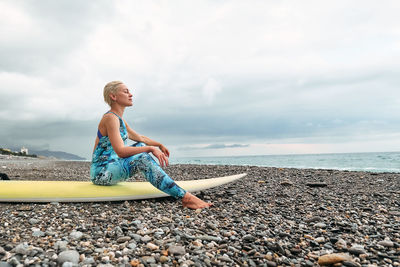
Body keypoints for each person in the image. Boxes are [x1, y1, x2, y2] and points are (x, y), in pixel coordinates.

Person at [90, 81, 212, 209]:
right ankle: (185, 198)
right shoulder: (110, 118)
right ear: (113, 96)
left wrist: (158, 145)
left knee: (141, 145)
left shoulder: (119, 119)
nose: (131, 95)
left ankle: (162, 180)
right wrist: (150, 149)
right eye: (126, 92)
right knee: (143, 157)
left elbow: (140, 138)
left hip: (113, 165)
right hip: (101, 173)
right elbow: (120, 151)